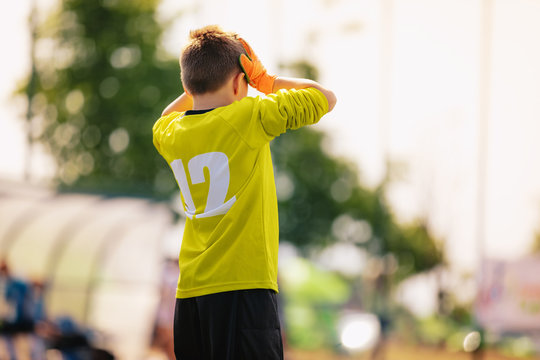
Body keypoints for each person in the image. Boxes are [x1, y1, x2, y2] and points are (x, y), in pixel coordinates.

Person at [152, 25, 336, 360]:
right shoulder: (250, 116)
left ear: (187, 85)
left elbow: (166, 116)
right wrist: (265, 80)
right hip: (243, 289)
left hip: (190, 295)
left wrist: (198, 82)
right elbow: (324, 98)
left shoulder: (171, 133)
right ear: (241, 83)